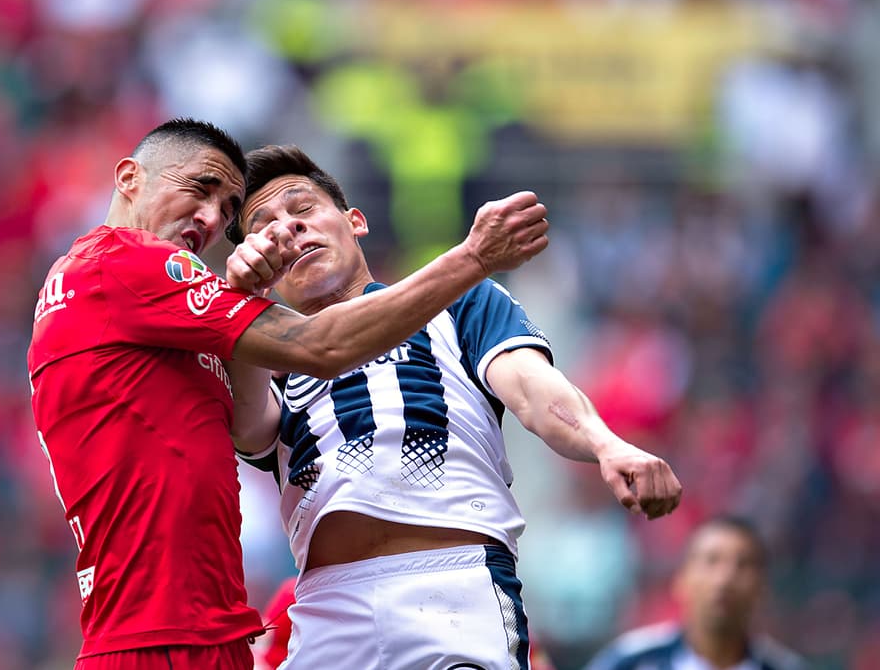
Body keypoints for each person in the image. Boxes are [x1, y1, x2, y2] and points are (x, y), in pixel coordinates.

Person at [27, 119, 550, 669]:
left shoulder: (136, 305)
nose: (210, 220)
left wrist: (242, 293)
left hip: (204, 626)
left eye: (227, 210)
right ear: (130, 177)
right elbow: (319, 347)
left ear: (355, 222)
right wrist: (472, 259)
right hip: (163, 638)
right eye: (201, 189)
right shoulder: (129, 263)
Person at [224, 144, 683, 670]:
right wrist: (241, 305)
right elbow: (249, 428)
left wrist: (606, 444)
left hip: (453, 588)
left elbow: (533, 388)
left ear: (356, 221)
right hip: (327, 609)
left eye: (303, 208)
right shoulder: (262, 356)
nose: (288, 229)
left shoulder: (463, 303)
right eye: (264, 225)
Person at [583, 515, 807, 670]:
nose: (724, 579)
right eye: (711, 561)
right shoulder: (630, 661)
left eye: (743, 565)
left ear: (762, 587)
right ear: (681, 580)